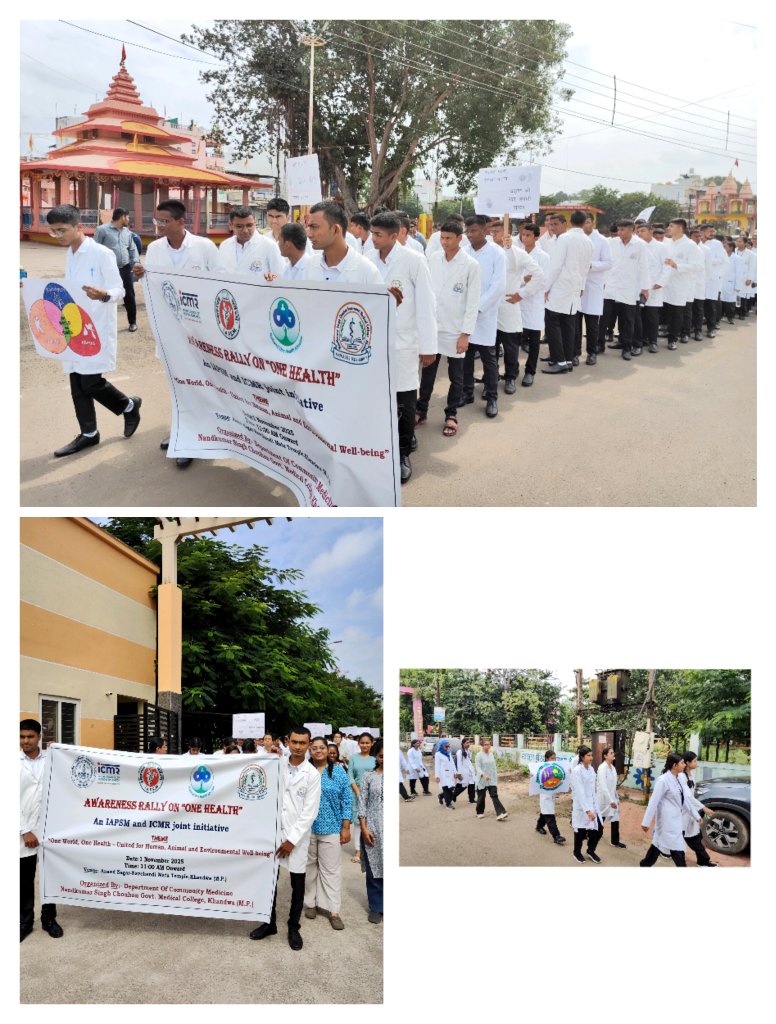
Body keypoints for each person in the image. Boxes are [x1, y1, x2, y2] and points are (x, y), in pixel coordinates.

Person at [39, 205, 141, 458]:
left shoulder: (101, 253)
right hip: (72, 326)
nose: (58, 236)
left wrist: (105, 294)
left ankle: (128, 405)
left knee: (91, 382)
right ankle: (89, 434)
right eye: (52, 232)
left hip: (95, 327)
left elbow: (121, 289)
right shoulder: (70, 253)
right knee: (76, 382)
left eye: (61, 230)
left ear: (79, 227)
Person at [133, 198, 224, 468]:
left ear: (181, 222)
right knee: (178, 385)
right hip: (170, 330)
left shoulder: (204, 247)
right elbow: (152, 282)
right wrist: (141, 275)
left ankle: (201, 435)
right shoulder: (157, 249)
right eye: (156, 221)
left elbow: (219, 282)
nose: (159, 226)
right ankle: (182, 432)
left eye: (164, 221)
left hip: (200, 331)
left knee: (202, 383)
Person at [368, 210, 437, 482]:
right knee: (379, 399)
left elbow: (426, 306)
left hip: (404, 342)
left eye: (378, 235)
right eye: (372, 233)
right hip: (375, 342)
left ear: (395, 236)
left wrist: (428, 347)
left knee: (405, 400)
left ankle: (403, 453)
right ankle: (381, 449)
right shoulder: (368, 260)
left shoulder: (413, 261)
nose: (373, 239)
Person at [250, 726, 321, 949]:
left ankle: (293, 926)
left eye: (303, 743)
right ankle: (269, 922)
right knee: (269, 880)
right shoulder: (277, 765)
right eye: (294, 742)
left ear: (308, 745)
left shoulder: (312, 775)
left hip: (296, 838)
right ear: (287, 742)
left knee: (297, 882)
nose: (298, 747)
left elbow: (309, 813)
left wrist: (291, 840)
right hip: (273, 832)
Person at [418, 217, 480, 439]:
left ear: (459, 239)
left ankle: (451, 415)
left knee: (456, 377)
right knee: (427, 374)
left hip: (456, 330)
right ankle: (421, 410)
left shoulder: (471, 266)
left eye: (448, 238)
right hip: (434, 328)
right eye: (442, 237)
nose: (444, 242)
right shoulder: (433, 259)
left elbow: (473, 303)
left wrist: (465, 334)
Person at [20, 718, 63, 942]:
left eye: (30, 737)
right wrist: (25, 830)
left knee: (49, 877)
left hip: (48, 829)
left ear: (39, 737)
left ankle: (49, 919)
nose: (25, 741)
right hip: (23, 832)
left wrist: (60, 750)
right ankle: (25, 922)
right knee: (24, 879)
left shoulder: (52, 758)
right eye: (21, 737)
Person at [460, 214, 506, 417]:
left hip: (485, 314)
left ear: (485, 230)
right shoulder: (464, 252)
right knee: (466, 356)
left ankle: (492, 397)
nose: (470, 235)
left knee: (489, 357)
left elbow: (498, 286)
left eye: (474, 231)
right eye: (467, 231)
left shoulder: (497, 253)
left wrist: (478, 307)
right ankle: (467, 392)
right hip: (466, 313)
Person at [304, 736, 351, 929]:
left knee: (330, 871)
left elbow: (347, 800)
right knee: (309, 869)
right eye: (314, 748)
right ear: (310, 751)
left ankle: (333, 910)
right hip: (306, 829)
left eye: (321, 747)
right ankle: (310, 903)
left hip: (331, 828)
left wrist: (346, 827)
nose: (318, 751)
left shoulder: (338, 772)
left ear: (328, 749)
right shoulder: (304, 771)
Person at [491, 220, 541, 391]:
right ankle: (491, 378)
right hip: (489, 306)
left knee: (511, 347)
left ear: (508, 233)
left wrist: (521, 294)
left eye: (497, 231)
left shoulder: (518, 253)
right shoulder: (488, 250)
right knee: (490, 348)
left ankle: (511, 377)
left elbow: (539, 275)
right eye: (492, 231)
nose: (494, 234)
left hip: (508, 305)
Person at [541, 210, 593, 374]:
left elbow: (555, 266)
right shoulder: (588, 241)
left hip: (560, 287)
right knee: (569, 325)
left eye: (555, 224)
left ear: (568, 222)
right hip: (574, 288)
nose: (552, 227)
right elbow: (586, 267)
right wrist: (582, 286)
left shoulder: (564, 238)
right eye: (551, 224)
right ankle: (568, 359)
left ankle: (560, 361)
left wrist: (546, 288)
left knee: (553, 325)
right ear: (585, 222)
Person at [304, 201, 384, 286]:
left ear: (335, 229)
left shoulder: (367, 271)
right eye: (309, 227)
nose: (309, 234)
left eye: (314, 227)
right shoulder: (310, 265)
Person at [604, 220, 651, 360]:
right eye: (618, 230)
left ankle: (627, 348)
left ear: (632, 229)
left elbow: (644, 267)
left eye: (623, 230)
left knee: (629, 319)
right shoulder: (612, 243)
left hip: (630, 288)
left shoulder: (640, 245)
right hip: (612, 287)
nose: (619, 233)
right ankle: (621, 342)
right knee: (614, 317)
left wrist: (645, 288)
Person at [640, 753, 695, 867]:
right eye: (682, 763)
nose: (684, 765)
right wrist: (646, 822)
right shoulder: (663, 780)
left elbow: (686, 799)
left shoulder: (678, 778)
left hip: (675, 820)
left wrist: (696, 815)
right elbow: (653, 802)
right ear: (674, 765)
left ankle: (645, 865)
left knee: (658, 845)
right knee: (677, 849)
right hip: (666, 822)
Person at [93, 207, 139, 332]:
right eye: (128, 217)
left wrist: (135, 263)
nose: (128, 220)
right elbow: (95, 249)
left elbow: (132, 248)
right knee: (105, 296)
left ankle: (132, 322)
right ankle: (102, 325)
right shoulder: (102, 230)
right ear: (122, 217)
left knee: (129, 295)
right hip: (108, 271)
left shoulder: (127, 232)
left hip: (125, 269)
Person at [515, 222, 549, 386]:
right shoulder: (517, 254)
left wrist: (525, 290)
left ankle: (530, 371)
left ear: (536, 237)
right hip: (517, 303)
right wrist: (523, 280)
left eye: (528, 235)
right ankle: (512, 370)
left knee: (534, 342)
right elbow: (512, 279)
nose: (525, 238)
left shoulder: (543, 257)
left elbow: (543, 282)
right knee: (514, 339)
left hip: (534, 303)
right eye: (523, 234)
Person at [578, 213, 612, 365]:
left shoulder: (602, 241)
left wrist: (591, 265)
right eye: (582, 223)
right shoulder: (575, 239)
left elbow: (608, 263)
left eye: (587, 222)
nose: (585, 225)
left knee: (592, 323)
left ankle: (592, 352)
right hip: (576, 286)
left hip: (593, 287)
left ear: (592, 223)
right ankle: (575, 353)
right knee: (575, 323)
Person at [661, 219, 696, 351]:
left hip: (680, 285)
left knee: (677, 313)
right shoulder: (666, 243)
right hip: (665, 283)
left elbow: (697, 266)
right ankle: (667, 332)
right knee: (666, 312)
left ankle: (673, 339)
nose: (668, 227)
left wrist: (677, 265)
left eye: (671, 225)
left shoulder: (690, 245)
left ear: (680, 228)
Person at [219, 205, 284, 278]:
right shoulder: (225, 245)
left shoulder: (270, 246)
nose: (245, 231)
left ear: (255, 223)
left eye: (249, 225)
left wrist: (272, 278)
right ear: (230, 225)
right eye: (239, 226)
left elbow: (280, 276)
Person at [358, 738, 384, 924]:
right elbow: (362, 803)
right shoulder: (368, 776)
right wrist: (364, 828)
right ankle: (376, 907)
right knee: (374, 869)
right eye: (382, 756)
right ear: (376, 756)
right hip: (373, 827)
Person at [679, 752, 718, 867]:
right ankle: (665, 852)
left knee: (695, 836)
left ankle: (703, 861)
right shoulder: (681, 776)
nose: (697, 763)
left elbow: (691, 794)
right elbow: (688, 797)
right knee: (680, 836)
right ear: (687, 763)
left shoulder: (691, 775)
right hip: (683, 811)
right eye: (695, 761)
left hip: (691, 810)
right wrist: (703, 807)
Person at [570, 746, 603, 863]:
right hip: (582, 807)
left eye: (591, 755)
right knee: (580, 831)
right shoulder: (577, 771)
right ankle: (576, 852)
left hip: (593, 805)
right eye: (588, 756)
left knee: (598, 830)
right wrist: (587, 810)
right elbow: (580, 792)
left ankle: (590, 850)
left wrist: (594, 806)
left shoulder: (591, 769)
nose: (591, 758)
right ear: (582, 757)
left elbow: (593, 789)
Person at [347, 732, 376, 862]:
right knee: (359, 823)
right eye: (362, 743)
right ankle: (358, 851)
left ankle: (371, 848)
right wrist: (358, 792)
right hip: (357, 794)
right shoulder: (353, 758)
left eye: (367, 743)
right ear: (358, 744)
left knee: (372, 822)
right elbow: (350, 776)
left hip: (373, 794)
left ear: (372, 744)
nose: (364, 745)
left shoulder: (376, 759)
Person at [596, 747, 626, 848]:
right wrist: (610, 800)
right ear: (605, 756)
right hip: (604, 799)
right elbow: (604, 787)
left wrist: (615, 798)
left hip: (612, 797)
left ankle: (615, 841)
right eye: (611, 753)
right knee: (601, 818)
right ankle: (591, 835)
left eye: (613, 752)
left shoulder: (612, 768)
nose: (613, 754)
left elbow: (613, 786)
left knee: (615, 819)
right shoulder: (602, 768)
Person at [535, 748, 566, 843]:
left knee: (545, 812)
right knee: (549, 815)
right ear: (547, 759)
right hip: (545, 795)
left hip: (551, 794)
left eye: (555, 758)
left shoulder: (555, 768)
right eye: (552, 758)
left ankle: (539, 826)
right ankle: (556, 836)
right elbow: (536, 779)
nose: (554, 760)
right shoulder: (541, 768)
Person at [474, 737, 508, 820]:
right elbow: (477, 767)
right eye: (485, 744)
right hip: (482, 779)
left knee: (494, 795)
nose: (487, 746)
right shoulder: (479, 755)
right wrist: (483, 774)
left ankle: (500, 813)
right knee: (481, 796)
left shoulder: (491, 754)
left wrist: (495, 776)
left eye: (488, 744)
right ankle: (480, 812)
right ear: (482, 745)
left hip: (491, 779)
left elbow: (493, 767)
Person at [434, 738, 457, 809]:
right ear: (441, 746)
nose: (447, 748)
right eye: (446, 746)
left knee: (451, 788)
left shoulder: (448, 753)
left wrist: (455, 772)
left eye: (448, 746)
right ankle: (448, 804)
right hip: (443, 775)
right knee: (446, 789)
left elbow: (452, 763)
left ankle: (440, 796)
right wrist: (437, 776)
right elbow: (437, 766)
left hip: (450, 774)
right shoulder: (438, 754)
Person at [453, 737, 477, 804]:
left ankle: (471, 799)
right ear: (463, 744)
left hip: (469, 772)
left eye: (469, 742)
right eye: (467, 743)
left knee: (472, 784)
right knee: (462, 787)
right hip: (463, 772)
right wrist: (459, 773)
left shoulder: (469, 751)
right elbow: (459, 763)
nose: (468, 744)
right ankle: (447, 795)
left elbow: (469, 762)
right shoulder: (460, 752)